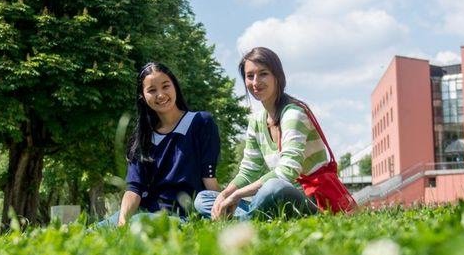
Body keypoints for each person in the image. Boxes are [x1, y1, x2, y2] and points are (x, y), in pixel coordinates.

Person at [196, 47, 326, 221]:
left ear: (277, 77)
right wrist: (225, 194)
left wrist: (237, 195)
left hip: (306, 199)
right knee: (204, 198)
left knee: (274, 187)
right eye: (250, 76)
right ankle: (248, 218)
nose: (255, 82)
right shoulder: (257, 121)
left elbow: (288, 171)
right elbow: (248, 171)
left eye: (263, 74)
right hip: (269, 200)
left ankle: (242, 220)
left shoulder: (294, 114)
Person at [102, 62, 220, 226]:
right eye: (152, 90)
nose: (161, 94)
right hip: (146, 211)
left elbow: (209, 177)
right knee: (89, 234)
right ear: (143, 97)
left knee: (138, 222)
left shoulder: (201, 122)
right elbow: (134, 189)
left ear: (175, 87)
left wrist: (219, 213)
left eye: (166, 86)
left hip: (184, 216)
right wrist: (122, 222)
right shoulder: (142, 138)